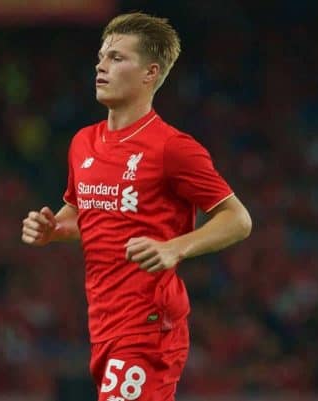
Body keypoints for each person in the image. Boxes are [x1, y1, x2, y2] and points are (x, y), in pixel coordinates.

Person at [21, 12, 252, 401]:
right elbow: (83, 214)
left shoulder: (172, 148)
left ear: (150, 73)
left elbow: (238, 219)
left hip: (148, 325)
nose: (101, 65)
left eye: (116, 57)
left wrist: (174, 246)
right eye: (101, 56)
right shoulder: (83, 142)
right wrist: (54, 228)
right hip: (103, 322)